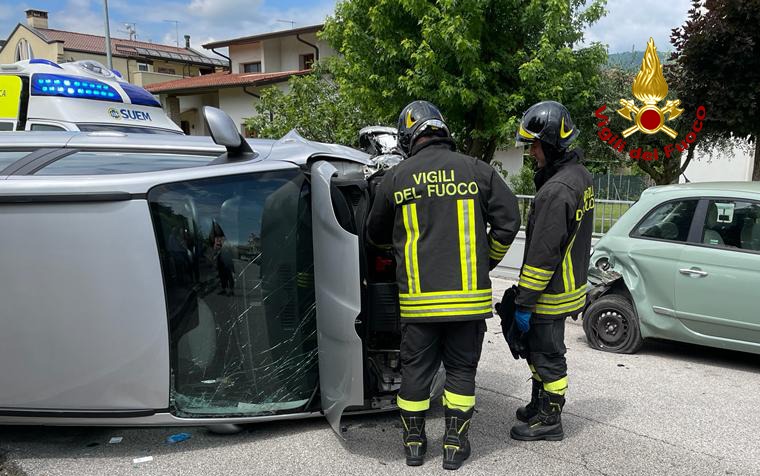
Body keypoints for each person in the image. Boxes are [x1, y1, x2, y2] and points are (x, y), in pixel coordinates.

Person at [366, 100, 520, 469]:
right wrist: (486, 262)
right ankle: (454, 446)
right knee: (462, 372)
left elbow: (374, 235)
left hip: (419, 305)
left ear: (408, 137)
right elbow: (509, 221)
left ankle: (414, 446)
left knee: (415, 374)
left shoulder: (396, 178)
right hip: (468, 303)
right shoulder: (477, 170)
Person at [508, 101, 594, 442]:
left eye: (535, 145)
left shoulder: (557, 191)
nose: (531, 152)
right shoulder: (579, 175)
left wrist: (524, 303)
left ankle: (550, 418)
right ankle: (539, 403)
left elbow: (542, 256)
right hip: (567, 284)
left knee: (547, 355)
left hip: (549, 291)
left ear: (552, 144)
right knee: (537, 349)